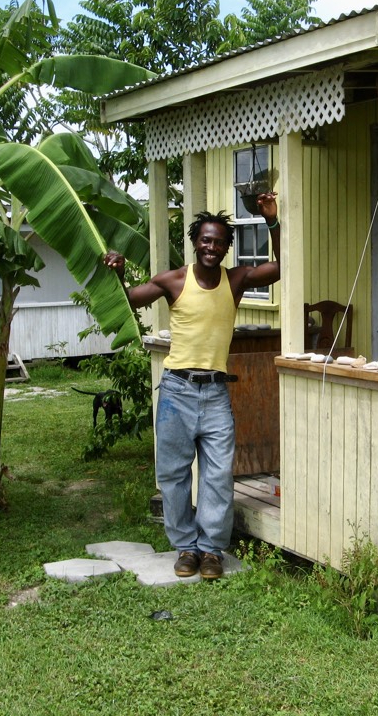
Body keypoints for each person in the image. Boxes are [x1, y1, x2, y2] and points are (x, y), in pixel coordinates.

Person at [104, 194, 280, 580]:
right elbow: (130, 300)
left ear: (226, 247)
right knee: (173, 473)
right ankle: (186, 546)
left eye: (218, 242)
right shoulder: (174, 281)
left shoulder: (236, 280)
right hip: (176, 392)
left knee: (217, 475)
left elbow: (279, 267)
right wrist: (117, 272)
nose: (211, 247)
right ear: (195, 242)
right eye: (205, 240)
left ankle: (211, 551)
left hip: (216, 393)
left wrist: (271, 220)